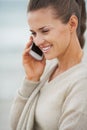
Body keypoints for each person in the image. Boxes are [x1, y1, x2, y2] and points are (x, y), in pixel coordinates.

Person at [10, 0, 87, 130]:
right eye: (33, 33)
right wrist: (31, 79)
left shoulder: (82, 82)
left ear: (72, 24)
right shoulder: (49, 67)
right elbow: (16, 124)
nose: (38, 41)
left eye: (45, 31)